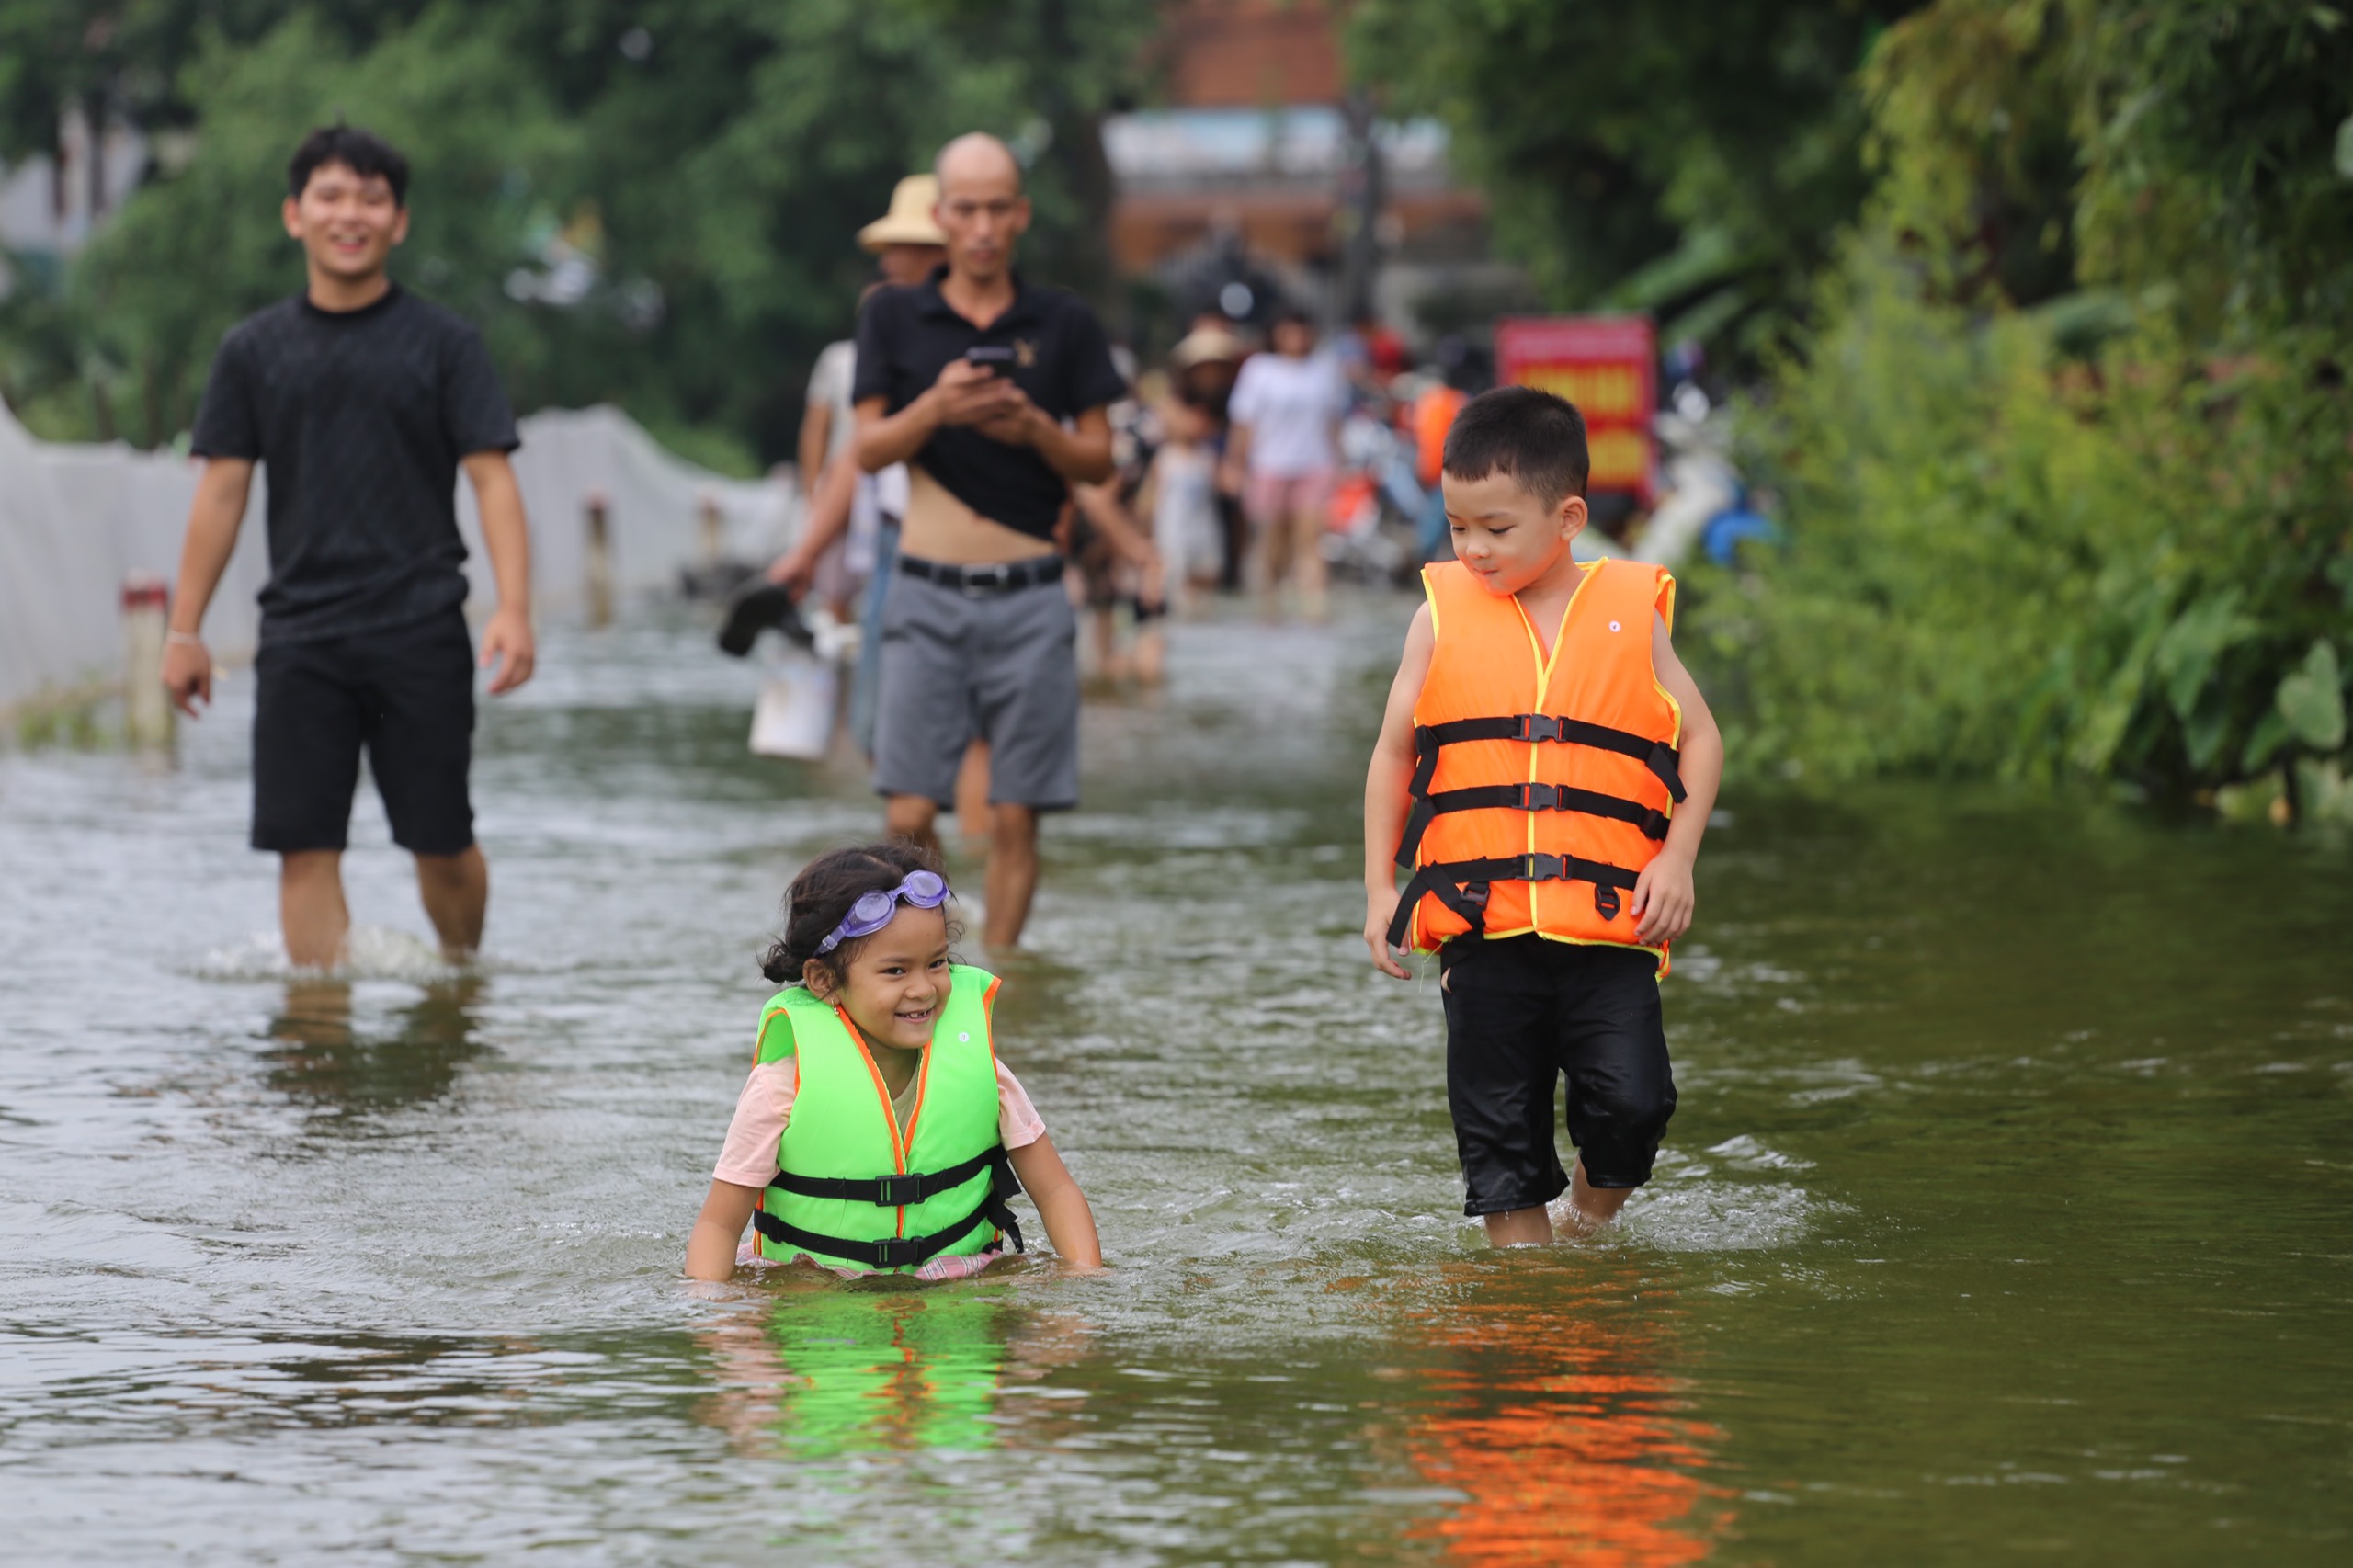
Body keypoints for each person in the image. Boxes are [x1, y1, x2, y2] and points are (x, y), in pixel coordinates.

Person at [161, 124, 534, 970]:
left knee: (440, 841)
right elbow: (221, 491)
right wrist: (184, 631)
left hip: (423, 623)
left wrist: (513, 609)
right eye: (330, 196)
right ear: (295, 215)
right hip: (298, 634)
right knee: (304, 843)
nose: (350, 214)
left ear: (398, 221)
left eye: (371, 198)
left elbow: (493, 482)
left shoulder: (447, 344)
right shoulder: (251, 351)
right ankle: (319, 1043)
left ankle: (462, 983)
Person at [768, 132, 1154, 948]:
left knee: (1017, 816)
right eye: (965, 208)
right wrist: (938, 407)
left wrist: (1033, 428)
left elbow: (1099, 456)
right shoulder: (894, 315)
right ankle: (935, 944)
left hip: (1030, 592)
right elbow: (866, 447)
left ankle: (996, 991)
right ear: (943, 216)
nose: (981, 226)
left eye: (996, 208)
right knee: (907, 812)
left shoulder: (1062, 321)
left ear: (1021, 215)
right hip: (924, 587)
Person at [1359, 386, 1724, 1245]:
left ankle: (1589, 1223)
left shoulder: (1631, 615)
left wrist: (1677, 858)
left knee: (1635, 1102)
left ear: (1568, 518)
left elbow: (1701, 741)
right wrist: (1381, 888)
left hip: (1609, 923)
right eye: (1456, 527)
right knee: (1499, 1136)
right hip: (1483, 931)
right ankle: (1526, 1304)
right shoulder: (1437, 618)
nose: (1473, 549)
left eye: (1496, 527)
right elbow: (1392, 756)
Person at [685, 841, 1101, 1281]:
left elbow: (1055, 1190)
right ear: (825, 980)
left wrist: (1085, 1283)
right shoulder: (781, 1088)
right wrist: (720, 1321)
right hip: (816, 1295)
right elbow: (718, 1225)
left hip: (957, 1282)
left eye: (937, 962)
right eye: (896, 971)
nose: (923, 989)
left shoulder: (983, 1073)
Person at [1224, 305, 1348, 617]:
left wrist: (1340, 463)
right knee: (1271, 542)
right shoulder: (1260, 368)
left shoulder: (1325, 369)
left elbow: (1333, 422)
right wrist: (1235, 465)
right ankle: (1269, 606)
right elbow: (1243, 423)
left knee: (1310, 540)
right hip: (1269, 465)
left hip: (1314, 464)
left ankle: (1314, 607)